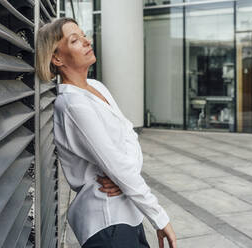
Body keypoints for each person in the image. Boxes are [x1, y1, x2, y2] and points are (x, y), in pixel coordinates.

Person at [35, 17, 177, 248]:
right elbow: (117, 165)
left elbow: (130, 135)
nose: (86, 41)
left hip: (128, 213)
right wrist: (160, 218)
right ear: (57, 57)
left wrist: (123, 174)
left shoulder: (97, 87)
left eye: (83, 35)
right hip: (108, 222)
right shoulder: (72, 105)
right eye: (74, 40)